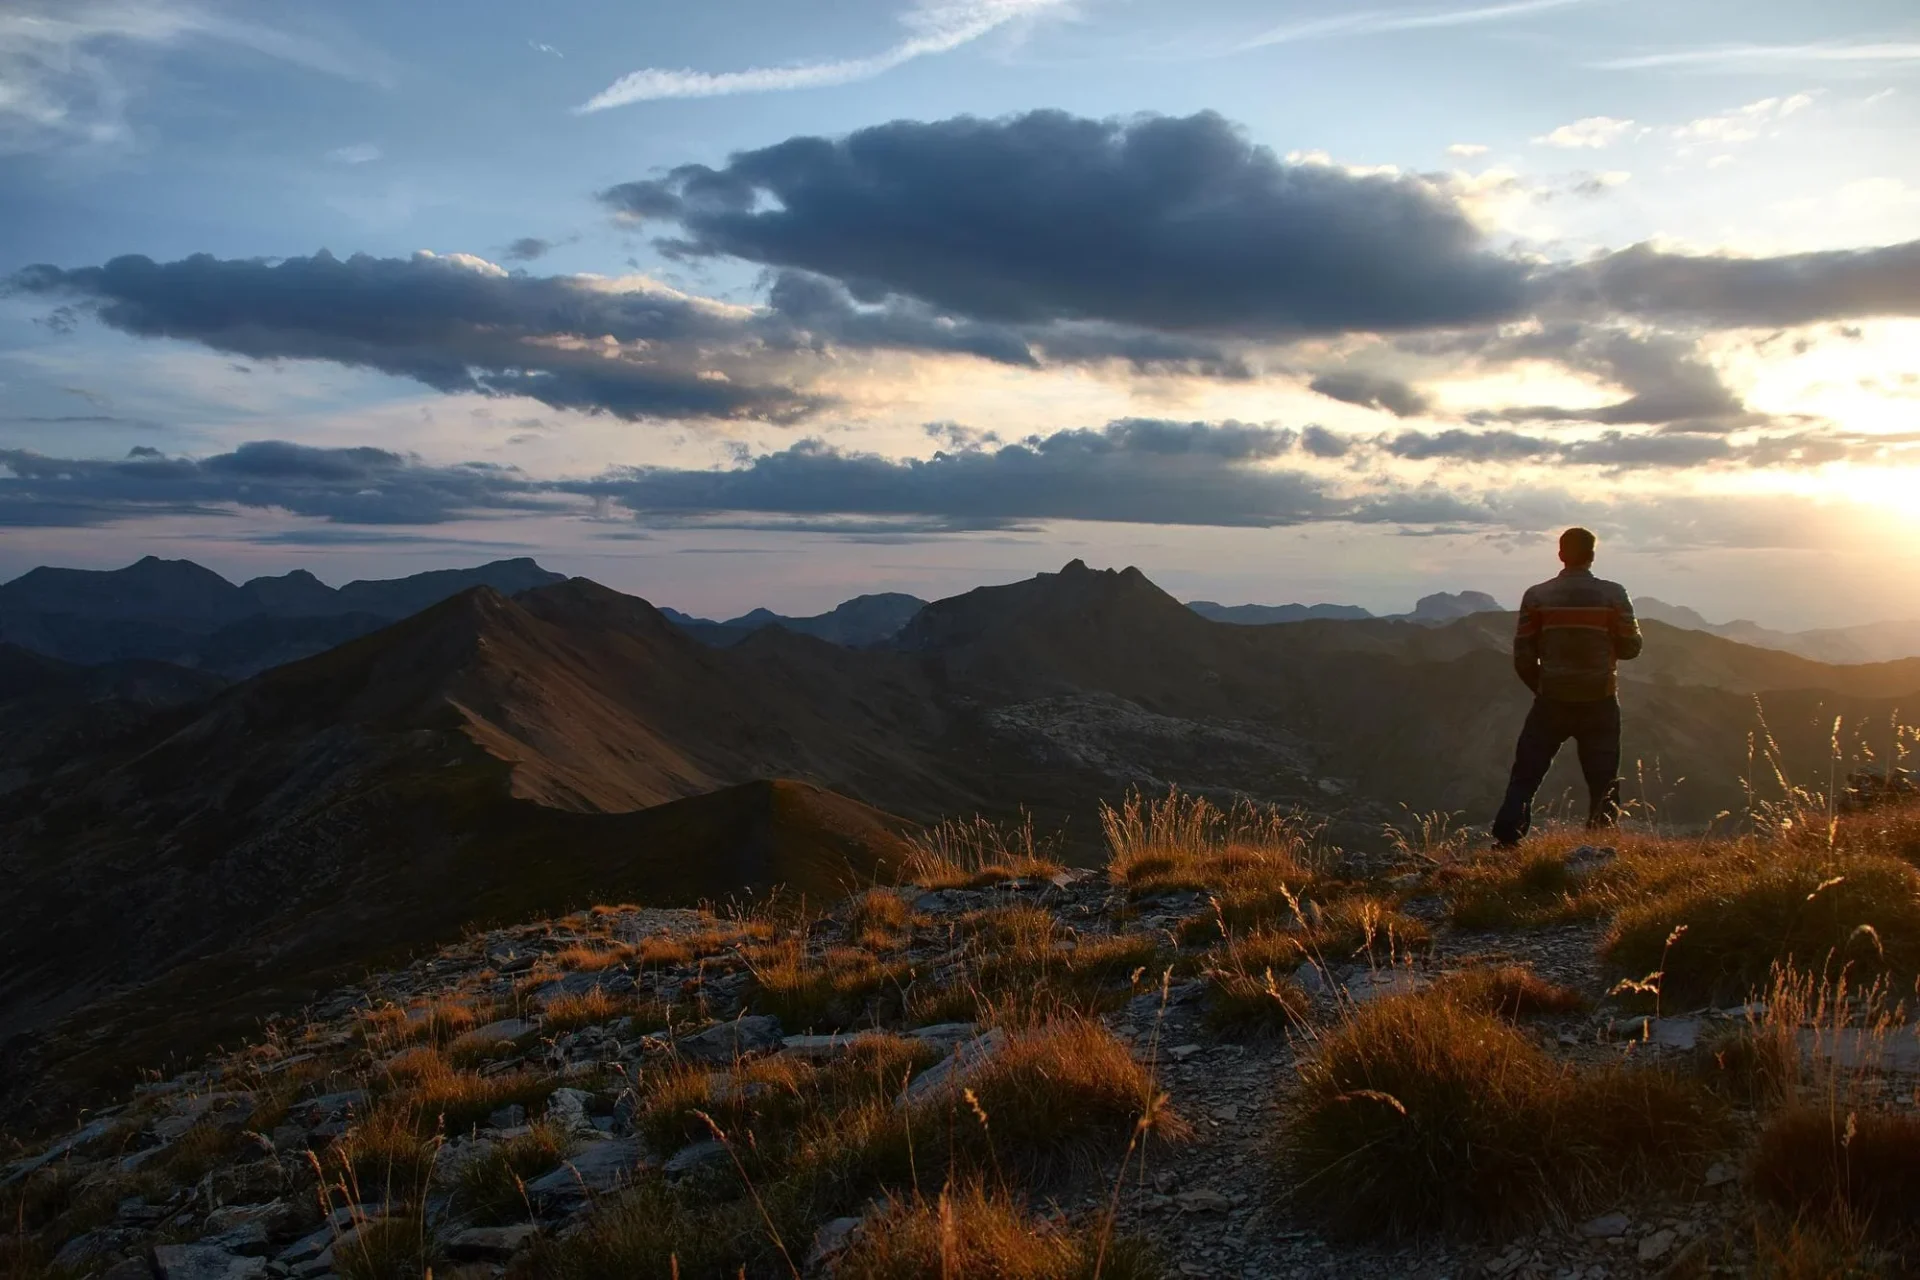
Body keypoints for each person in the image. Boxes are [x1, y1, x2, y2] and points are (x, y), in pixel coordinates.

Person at [1491, 527, 1643, 848]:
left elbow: (1523, 657)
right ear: (1592, 555)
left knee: (1527, 773)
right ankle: (1599, 847)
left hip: (1551, 700)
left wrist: (1546, 688)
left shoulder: (1537, 596)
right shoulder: (1615, 595)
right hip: (1600, 699)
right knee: (1603, 779)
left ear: (1560, 555)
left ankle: (1507, 841)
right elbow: (1631, 648)